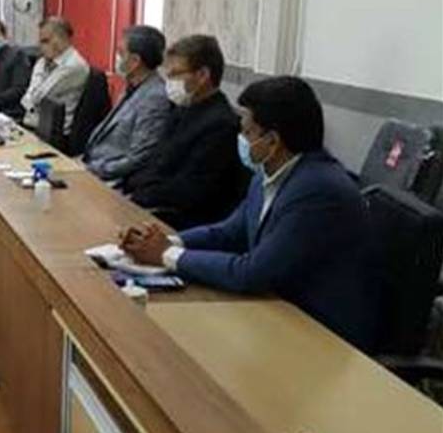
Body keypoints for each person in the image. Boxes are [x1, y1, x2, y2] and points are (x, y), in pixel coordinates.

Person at [121, 76, 379, 352]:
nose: (241, 139)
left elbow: (251, 272)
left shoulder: (317, 190)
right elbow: (229, 232)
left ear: (272, 141)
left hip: (322, 335)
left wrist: (166, 255)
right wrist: (165, 241)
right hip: (277, 310)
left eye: (246, 132)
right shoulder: (269, 172)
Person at [122, 35, 248, 230]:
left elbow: (191, 191)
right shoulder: (184, 108)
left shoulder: (221, 124)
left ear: (202, 75)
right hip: (148, 202)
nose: (169, 81)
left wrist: (138, 196)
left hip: (180, 220)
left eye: (176, 74)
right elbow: (157, 161)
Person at [82, 25, 170, 187]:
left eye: (120, 53)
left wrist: (90, 170)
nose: (116, 58)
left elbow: (138, 157)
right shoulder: (132, 86)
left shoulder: (155, 98)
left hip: (113, 182)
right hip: (92, 166)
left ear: (135, 61)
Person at [20, 16, 89, 133]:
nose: (40, 46)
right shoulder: (45, 60)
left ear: (61, 39)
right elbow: (27, 99)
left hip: (54, 133)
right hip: (33, 124)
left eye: (45, 41)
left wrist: (29, 99)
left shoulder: (73, 65)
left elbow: (36, 99)